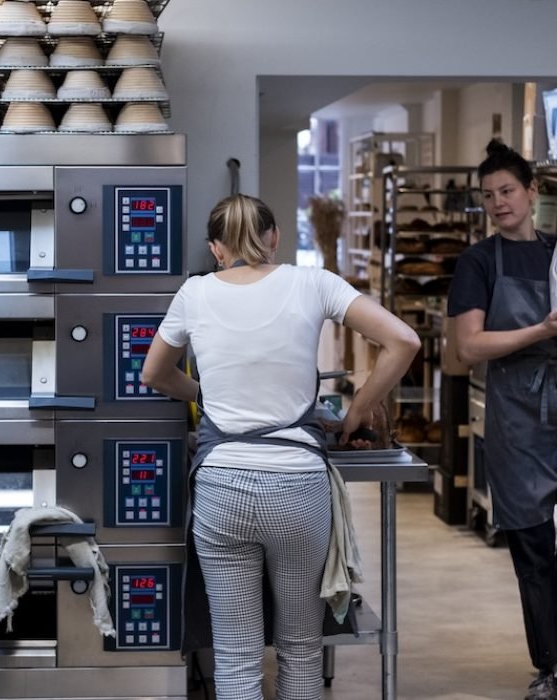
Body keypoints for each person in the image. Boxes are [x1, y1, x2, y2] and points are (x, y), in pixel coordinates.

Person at [142, 193, 420, 700]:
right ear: (274, 238)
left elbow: (154, 373)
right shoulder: (312, 282)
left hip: (222, 488)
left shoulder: (195, 292)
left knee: (237, 659)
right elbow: (404, 340)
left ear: (216, 249)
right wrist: (358, 410)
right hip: (297, 489)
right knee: (300, 651)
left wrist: (203, 393)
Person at [448, 140, 557, 700]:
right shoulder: (479, 262)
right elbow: (468, 346)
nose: (498, 202)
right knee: (534, 551)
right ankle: (550, 668)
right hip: (517, 417)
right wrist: (540, 332)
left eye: (507, 190)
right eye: (488, 195)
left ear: (533, 191)